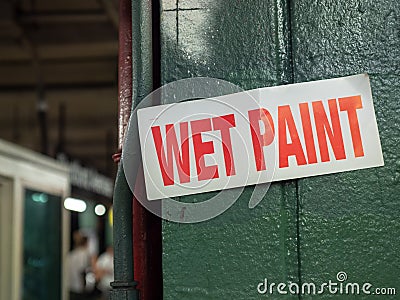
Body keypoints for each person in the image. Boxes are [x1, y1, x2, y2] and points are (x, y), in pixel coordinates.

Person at [67, 232, 95, 300]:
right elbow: (83, 271)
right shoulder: (85, 254)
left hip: (70, 287)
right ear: (86, 243)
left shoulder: (70, 255)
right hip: (80, 288)